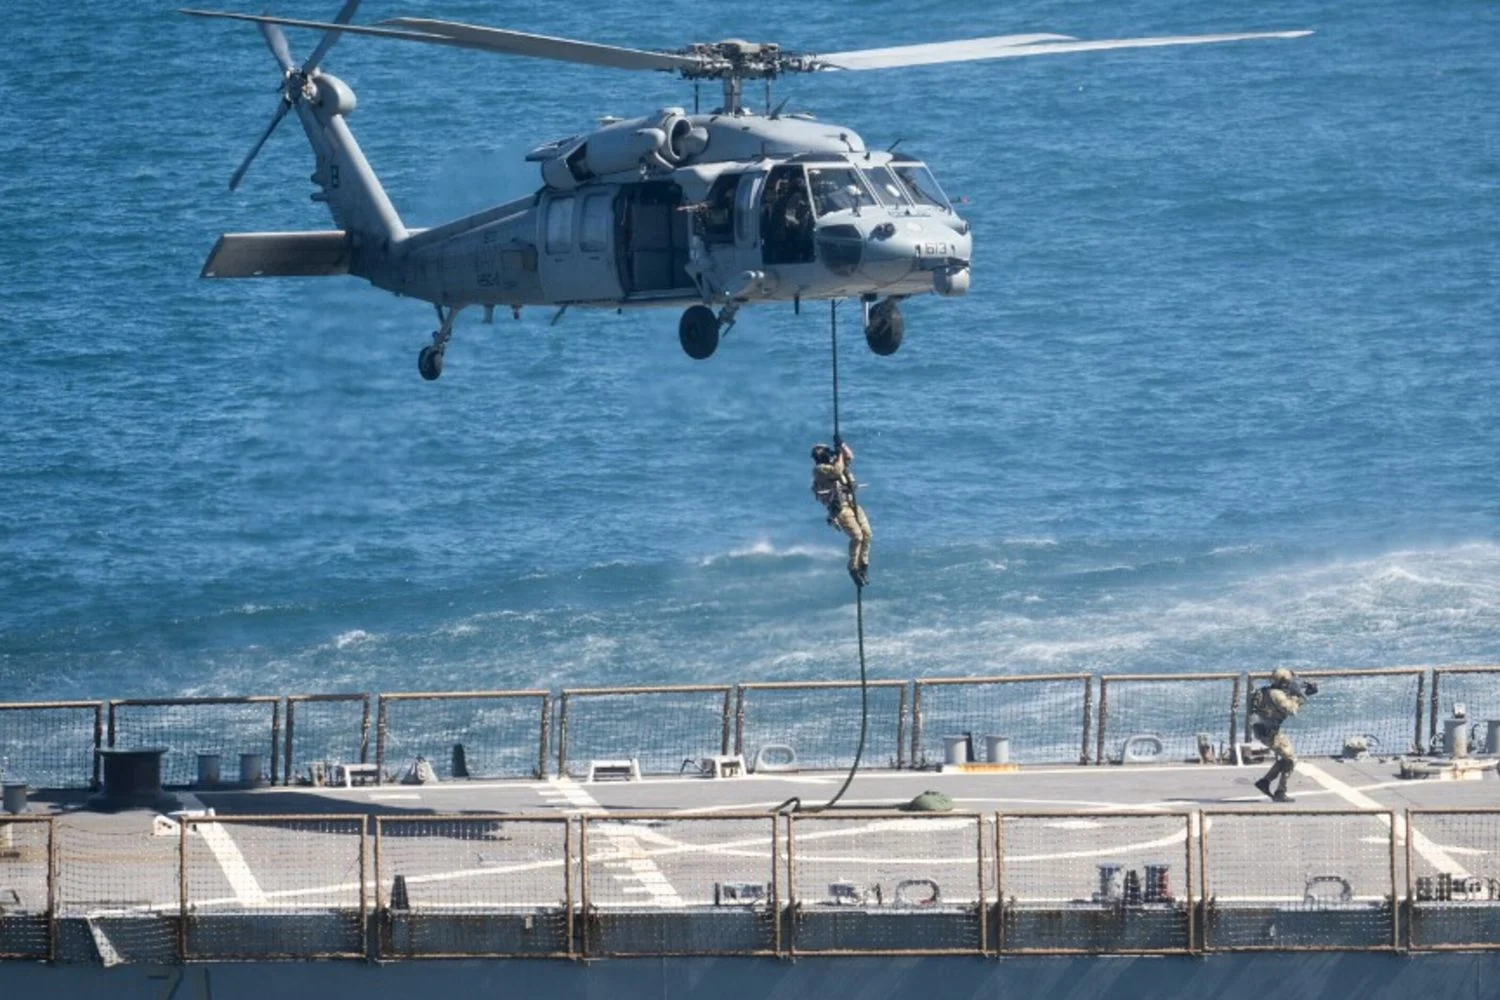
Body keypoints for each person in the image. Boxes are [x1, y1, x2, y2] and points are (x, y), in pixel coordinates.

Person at [1250, 667, 1318, 802]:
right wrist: (1302, 696)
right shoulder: (1277, 695)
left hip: (1263, 729)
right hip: (1271, 733)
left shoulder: (1265, 691)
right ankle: (1280, 791)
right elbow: (1292, 710)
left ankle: (1265, 782)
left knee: (1287, 758)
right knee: (1291, 760)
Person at [811, 440, 872, 587]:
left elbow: (849, 457)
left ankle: (863, 565)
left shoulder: (836, 463)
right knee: (857, 536)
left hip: (852, 504)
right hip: (841, 508)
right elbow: (837, 471)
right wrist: (838, 456)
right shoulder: (820, 470)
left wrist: (842, 446)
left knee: (867, 534)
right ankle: (853, 567)